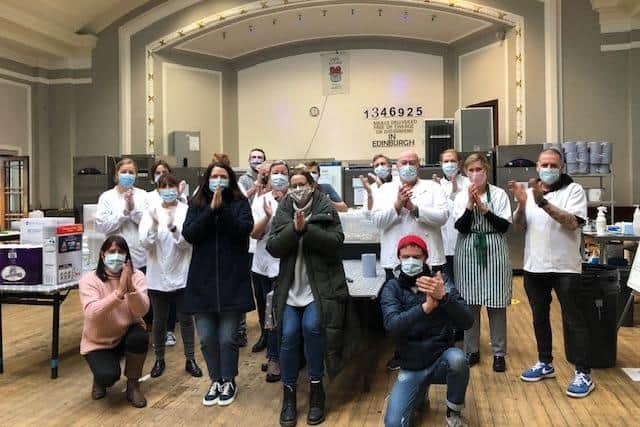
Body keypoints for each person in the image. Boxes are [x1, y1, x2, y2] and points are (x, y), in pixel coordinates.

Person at [267, 170, 356, 427]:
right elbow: (273, 247)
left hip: (320, 289)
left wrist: (308, 230)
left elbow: (337, 243)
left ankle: (317, 390)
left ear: (312, 185)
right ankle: (289, 394)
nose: (297, 188)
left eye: (302, 184)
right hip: (290, 291)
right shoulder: (284, 211)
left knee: (312, 328)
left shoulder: (326, 208)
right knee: (289, 335)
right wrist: (294, 232)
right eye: (293, 185)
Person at [508, 148, 594, 398]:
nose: (548, 169)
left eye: (553, 165)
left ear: (562, 167)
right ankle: (545, 363)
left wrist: (542, 202)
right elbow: (520, 226)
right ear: (537, 166)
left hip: (565, 267)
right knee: (539, 317)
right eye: (544, 164)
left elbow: (572, 222)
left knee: (573, 319)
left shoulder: (573, 190)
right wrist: (524, 205)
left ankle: (583, 373)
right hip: (534, 266)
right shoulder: (530, 191)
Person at [182, 155, 255, 407]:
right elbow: (189, 234)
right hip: (201, 282)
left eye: (223, 176)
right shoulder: (196, 203)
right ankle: (215, 379)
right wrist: (209, 211)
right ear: (206, 180)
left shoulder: (239, 202)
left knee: (227, 338)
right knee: (207, 338)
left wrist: (221, 209)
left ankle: (229, 379)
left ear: (231, 180)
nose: (218, 180)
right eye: (214, 176)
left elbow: (243, 230)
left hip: (231, 280)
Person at [381, 235, 473, 427]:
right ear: (398, 257)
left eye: (416, 256)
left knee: (458, 361)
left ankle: (453, 411)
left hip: (440, 359)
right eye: (406, 257)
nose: (411, 261)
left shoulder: (441, 282)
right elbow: (392, 326)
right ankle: (418, 395)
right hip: (411, 364)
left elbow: (467, 321)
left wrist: (445, 297)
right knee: (394, 423)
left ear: (425, 257)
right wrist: (426, 308)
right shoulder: (392, 287)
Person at [371, 149, 449, 370]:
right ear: (396, 166)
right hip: (395, 262)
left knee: (431, 307)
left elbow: (442, 217)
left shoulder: (433, 188)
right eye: (403, 162)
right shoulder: (385, 190)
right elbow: (377, 221)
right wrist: (397, 205)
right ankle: (400, 353)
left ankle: (435, 349)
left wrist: (414, 209)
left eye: (412, 162)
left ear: (419, 165)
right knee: (400, 311)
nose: (407, 166)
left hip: (429, 258)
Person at [452, 153, 512, 372]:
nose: (475, 174)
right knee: (470, 303)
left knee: (496, 303)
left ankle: (499, 353)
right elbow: (461, 227)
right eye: (471, 170)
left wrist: (485, 209)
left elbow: (504, 226)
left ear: (486, 171)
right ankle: (471, 350)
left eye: (479, 170)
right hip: (468, 248)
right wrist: (470, 204)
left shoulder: (499, 194)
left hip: (494, 248)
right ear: (466, 173)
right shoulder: (459, 197)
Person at [139, 174, 202, 379]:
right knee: (159, 320)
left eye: (171, 186)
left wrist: (174, 228)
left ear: (178, 188)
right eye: (163, 187)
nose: (168, 190)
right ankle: (159, 359)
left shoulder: (186, 211)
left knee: (185, 318)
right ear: (158, 190)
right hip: (158, 275)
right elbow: (146, 243)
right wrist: (156, 225)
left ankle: (190, 358)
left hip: (182, 273)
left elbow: (187, 242)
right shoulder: (150, 212)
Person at [79, 235, 150, 408]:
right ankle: (99, 378)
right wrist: (119, 293)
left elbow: (142, 311)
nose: (116, 255)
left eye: (121, 252)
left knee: (140, 336)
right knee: (108, 376)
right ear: (102, 255)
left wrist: (131, 289)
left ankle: (133, 386)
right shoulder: (90, 280)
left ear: (127, 257)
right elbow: (92, 313)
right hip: (98, 342)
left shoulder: (137, 276)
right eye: (112, 251)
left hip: (125, 334)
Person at [251, 160, 289, 382]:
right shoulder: (261, 200)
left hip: (284, 266)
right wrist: (266, 215)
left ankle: (279, 356)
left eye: (283, 173)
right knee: (268, 314)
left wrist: (284, 205)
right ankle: (273, 355)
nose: (279, 176)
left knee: (280, 313)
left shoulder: (295, 198)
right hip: (262, 265)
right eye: (275, 173)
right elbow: (254, 234)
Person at [96, 158, 149, 273]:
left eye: (131, 172)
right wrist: (124, 213)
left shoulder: (144, 196)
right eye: (124, 172)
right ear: (117, 174)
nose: (127, 175)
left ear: (136, 176)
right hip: (114, 259)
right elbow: (102, 226)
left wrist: (132, 209)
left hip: (139, 258)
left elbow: (148, 224)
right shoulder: (106, 197)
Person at [238, 148, 268, 348]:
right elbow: (240, 201)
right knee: (251, 287)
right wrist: (255, 185)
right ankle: (247, 329)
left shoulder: (272, 177)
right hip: (248, 240)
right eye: (253, 157)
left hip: (268, 245)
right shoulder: (243, 180)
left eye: (260, 158)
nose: (256, 160)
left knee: (268, 293)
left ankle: (270, 332)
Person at [433, 149, 470, 280]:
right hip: (442, 244)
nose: (449, 164)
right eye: (446, 161)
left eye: (453, 161)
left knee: (467, 284)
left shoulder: (468, 183)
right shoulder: (435, 186)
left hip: (466, 245)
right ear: (440, 164)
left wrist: (454, 189)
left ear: (459, 163)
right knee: (447, 285)